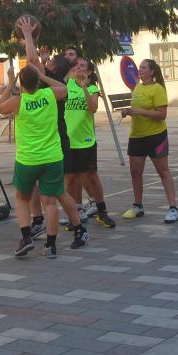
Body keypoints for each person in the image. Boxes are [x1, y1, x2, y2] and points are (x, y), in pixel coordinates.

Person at [0, 19, 88, 258]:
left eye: (48, 62)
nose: (43, 62)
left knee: (50, 194)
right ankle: (55, 236)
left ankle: (62, 228)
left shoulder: (25, 99)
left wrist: (27, 34)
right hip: (52, 151)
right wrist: (41, 73)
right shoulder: (52, 92)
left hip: (41, 150)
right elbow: (39, 66)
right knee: (54, 194)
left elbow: (1, 105)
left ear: (53, 70)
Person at [121, 59, 178, 223]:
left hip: (156, 136)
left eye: (144, 68)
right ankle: (138, 206)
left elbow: (162, 115)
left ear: (152, 71)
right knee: (135, 172)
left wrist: (140, 111)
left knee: (163, 171)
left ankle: (173, 208)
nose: (140, 70)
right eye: (139, 67)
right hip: (137, 137)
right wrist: (129, 111)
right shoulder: (138, 87)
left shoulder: (158, 89)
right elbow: (138, 110)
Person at [64, 59, 115, 228]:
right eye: (77, 65)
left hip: (85, 141)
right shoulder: (67, 85)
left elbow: (93, 108)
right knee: (71, 179)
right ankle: (76, 214)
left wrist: (84, 86)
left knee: (91, 176)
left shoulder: (92, 88)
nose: (78, 67)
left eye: (83, 66)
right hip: (68, 141)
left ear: (90, 72)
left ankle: (102, 211)